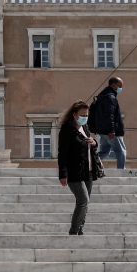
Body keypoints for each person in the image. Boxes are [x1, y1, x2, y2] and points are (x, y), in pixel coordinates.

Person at [57, 100, 102, 235]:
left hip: (88, 170)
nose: (85, 117)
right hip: (73, 171)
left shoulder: (85, 128)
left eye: (87, 115)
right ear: (75, 114)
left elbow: (91, 146)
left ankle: (80, 229)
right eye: (83, 115)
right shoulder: (67, 129)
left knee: (85, 203)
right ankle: (74, 231)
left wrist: (94, 143)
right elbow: (62, 153)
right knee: (83, 200)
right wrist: (63, 174)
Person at [90, 77, 126, 169]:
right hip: (111, 131)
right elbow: (109, 114)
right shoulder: (110, 97)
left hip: (102, 130)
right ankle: (122, 171)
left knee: (104, 151)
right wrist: (111, 130)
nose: (120, 89)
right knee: (121, 151)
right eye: (120, 86)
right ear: (113, 85)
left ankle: (90, 164)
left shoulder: (102, 96)